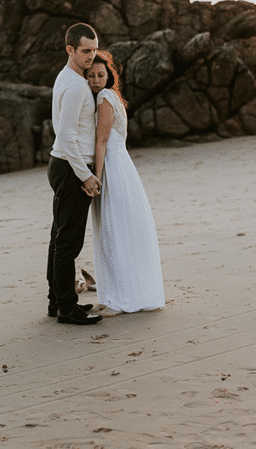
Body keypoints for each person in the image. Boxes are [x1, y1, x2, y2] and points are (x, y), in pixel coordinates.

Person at [86, 52, 165, 316]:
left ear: (109, 77)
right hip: (122, 166)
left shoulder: (105, 98)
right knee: (120, 230)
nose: (96, 80)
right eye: (91, 75)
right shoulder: (113, 97)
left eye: (101, 75)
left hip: (113, 168)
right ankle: (121, 293)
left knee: (114, 231)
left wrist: (96, 178)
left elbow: (102, 142)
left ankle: (121, 300)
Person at [46, 23, 103, 325]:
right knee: (68, 243)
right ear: (70, 49)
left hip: (64, 164)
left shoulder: (67, 77)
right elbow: (66, 134)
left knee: (59, 240)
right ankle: (67, 307)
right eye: (85, 51)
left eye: (94, 50)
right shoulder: (76, 85)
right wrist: (85, 175)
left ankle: (57, 301)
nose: (91, 57)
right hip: (70, 167)